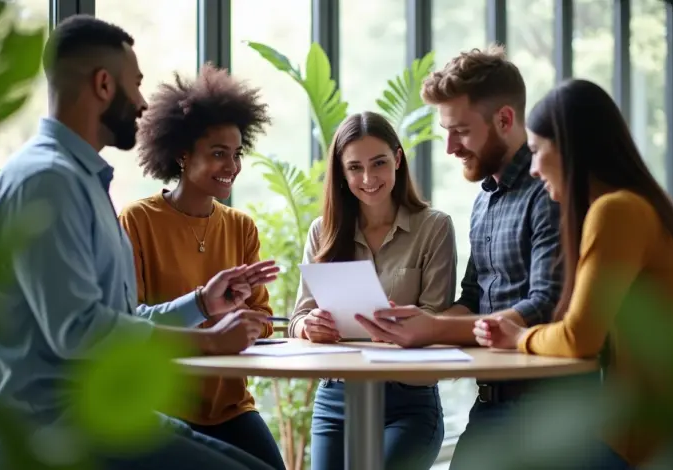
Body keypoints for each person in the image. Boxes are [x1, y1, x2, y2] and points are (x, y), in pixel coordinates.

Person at [0, 15, 278, 470]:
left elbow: (118, 320)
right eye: (134, 84)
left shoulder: (83, 181)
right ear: (102, 84)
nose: (141, 102)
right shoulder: (47, 181)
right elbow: (80, 331)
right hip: (57, 436)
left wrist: (200, 302)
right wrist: (207, 343)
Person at [471, 79, 673, 469]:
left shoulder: (615, 211)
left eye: (535, 152)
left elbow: (579, 337)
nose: (532, 169)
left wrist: (519, 336)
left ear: (568, 148)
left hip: (644, 442)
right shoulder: (638, 204)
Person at [353, 45, 564, 469]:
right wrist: (414, 323)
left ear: (505, 120)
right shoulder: (484, 201)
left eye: (461, 131)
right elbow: (473, 295)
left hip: (547, 411)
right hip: (491, 404)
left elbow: (545, 305)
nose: (449, 147)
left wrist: (434, 327)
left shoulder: (549, 193)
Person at [117, 65, 284, 470]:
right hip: (162, 405)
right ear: (182, 154)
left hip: (230, 405)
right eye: (218, 153)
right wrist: (211, 320)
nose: (232, 165)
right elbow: (127, 321)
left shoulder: (240, 226)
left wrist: (241, 313)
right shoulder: (137, 221)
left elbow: (262, 319)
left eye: (237, 153)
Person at [288, 111, 457, 470]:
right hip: (336, 400)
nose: (368, 178)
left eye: (379, 163)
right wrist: (308, 326)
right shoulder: (323, 231)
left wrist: (411, 327)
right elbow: (298, 317)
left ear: (397, 159)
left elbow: (438, 324)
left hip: (408, 402)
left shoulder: (434, 228)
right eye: (354, 168)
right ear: (342, 173)